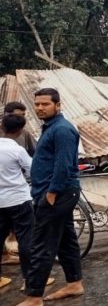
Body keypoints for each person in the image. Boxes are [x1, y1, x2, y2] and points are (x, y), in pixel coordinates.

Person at [19, 88, 83, 304]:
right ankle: (74, 284)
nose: (39, 108)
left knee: (42, 245)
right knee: (66, 240)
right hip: (54, 192)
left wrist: (52, 193)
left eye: (45, 104)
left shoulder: (63, 130)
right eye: (37, 104)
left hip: (58, 193)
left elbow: (63, 165)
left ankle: (34, 297)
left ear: (58, 105)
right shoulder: (50, 127)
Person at [0, 115, 34, 290]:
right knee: (25, 239)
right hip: (19, 200)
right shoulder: (17, 150)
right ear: (20, 130)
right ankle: (29, 281)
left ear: (2, 127)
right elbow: (32, 170)